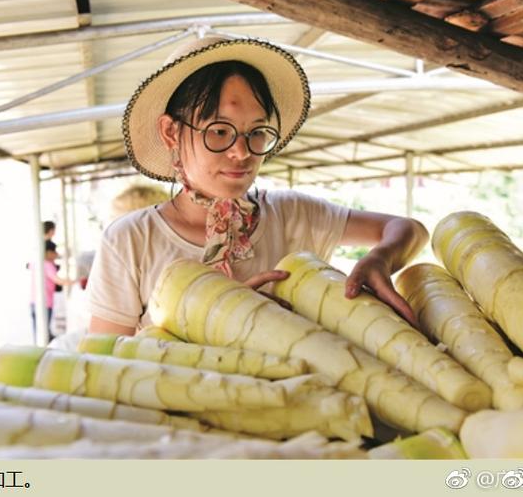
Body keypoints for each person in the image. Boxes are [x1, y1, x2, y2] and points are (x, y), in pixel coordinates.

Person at [88, 36, 428, 336]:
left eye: (257, 132)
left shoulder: (293, 214)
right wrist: (214, 321)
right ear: (171, 132)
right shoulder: (131, 240)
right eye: (219, 131)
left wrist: (381, 258)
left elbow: (408, 229)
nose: (242, 152)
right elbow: (103, 364)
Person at [30, 240, 74, 343]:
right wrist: (74, 282)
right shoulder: (48, 265)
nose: (56, 255)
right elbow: (57, 280)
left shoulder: (36, 263)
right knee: (43, 331)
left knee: (38, 331)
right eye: (54, 252)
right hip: (45, 303)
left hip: (33, 301)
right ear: (48, 253)